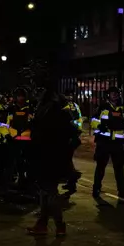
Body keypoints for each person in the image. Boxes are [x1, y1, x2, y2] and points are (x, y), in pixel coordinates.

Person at [27, 89, 75, 236]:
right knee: (45, 192)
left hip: (46, 157)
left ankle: (59, 225)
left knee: (50, 192)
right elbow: (72, 136)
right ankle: (43, 224)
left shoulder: (45, 114)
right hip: (56, 158)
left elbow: (38, 136)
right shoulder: (62, 114)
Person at [90, 86, 124, 199]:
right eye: (112, 93)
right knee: (100, 167)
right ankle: (96, 189)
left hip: (118, 143)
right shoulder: (103, 107)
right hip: (104, 142)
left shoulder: (123, 108)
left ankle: (122, 191)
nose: (114, 95)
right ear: (108, 95)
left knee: (119, 168)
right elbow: (93, 120)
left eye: (116, 93)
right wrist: (99, 126)